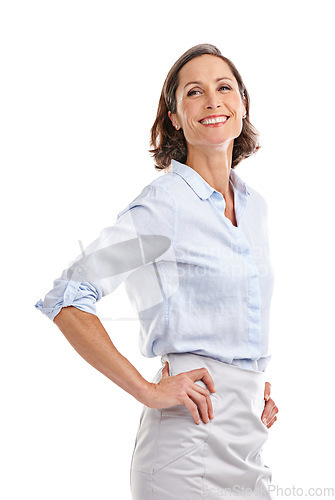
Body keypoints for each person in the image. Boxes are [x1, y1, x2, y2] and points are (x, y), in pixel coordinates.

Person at [35, 43, 279, 499]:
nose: (212, 100)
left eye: (224, 87)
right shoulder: (165, 204)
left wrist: (250, 385)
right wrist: (148, 391)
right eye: (194, 92)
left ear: (243, 105)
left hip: (248, 441)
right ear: (174, 117)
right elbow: (67, 297)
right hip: (185, 449)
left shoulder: (255, 207)